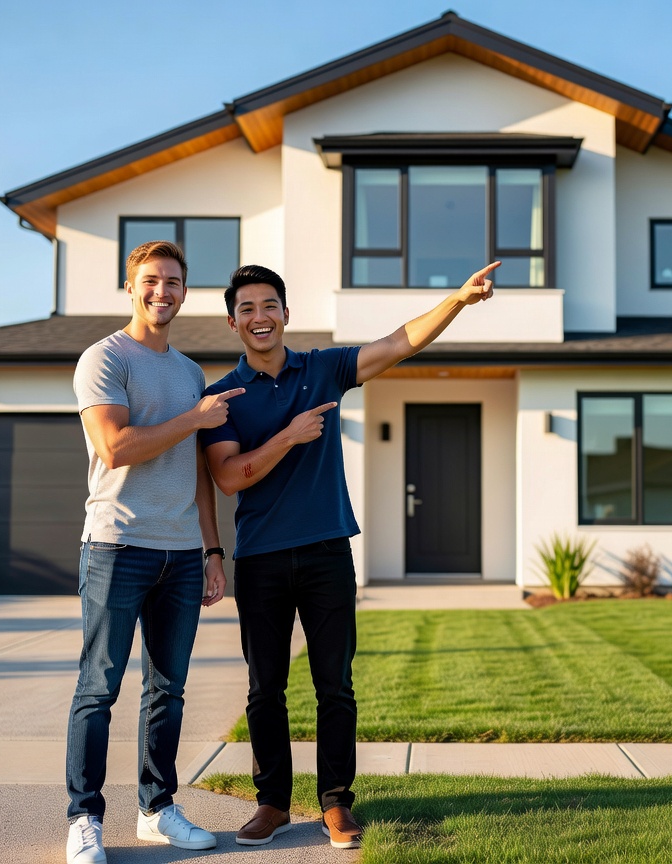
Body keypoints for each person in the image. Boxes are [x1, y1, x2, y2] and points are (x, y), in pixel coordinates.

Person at [200, 260, 499, 849]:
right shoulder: (221, 397)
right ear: (233, 323)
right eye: (247, 309)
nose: (259, 317)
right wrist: (288, 435)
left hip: (327, 551)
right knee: (266, 688)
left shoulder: (325, 368)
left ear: (287, 314)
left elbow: (399, 342)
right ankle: (272, 804)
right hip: (260, 558)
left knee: (334, 685)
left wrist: (457, 300)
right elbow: (229, 478)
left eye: (269, 306)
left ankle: (337, 804)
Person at [65, 240, 244, 864]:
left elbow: (197, 470)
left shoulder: (191, 373)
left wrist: (213, 549)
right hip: (117, 544)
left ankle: (157, 810)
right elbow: (114, 448)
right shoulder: (104, 358)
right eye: (150, 280)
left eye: (172, 281)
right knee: (99, 687)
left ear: (185, 291)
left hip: (179, 551)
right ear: (130, 286)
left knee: (168, 690)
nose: (161, 291)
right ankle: (84, 819)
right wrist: (194, 418)